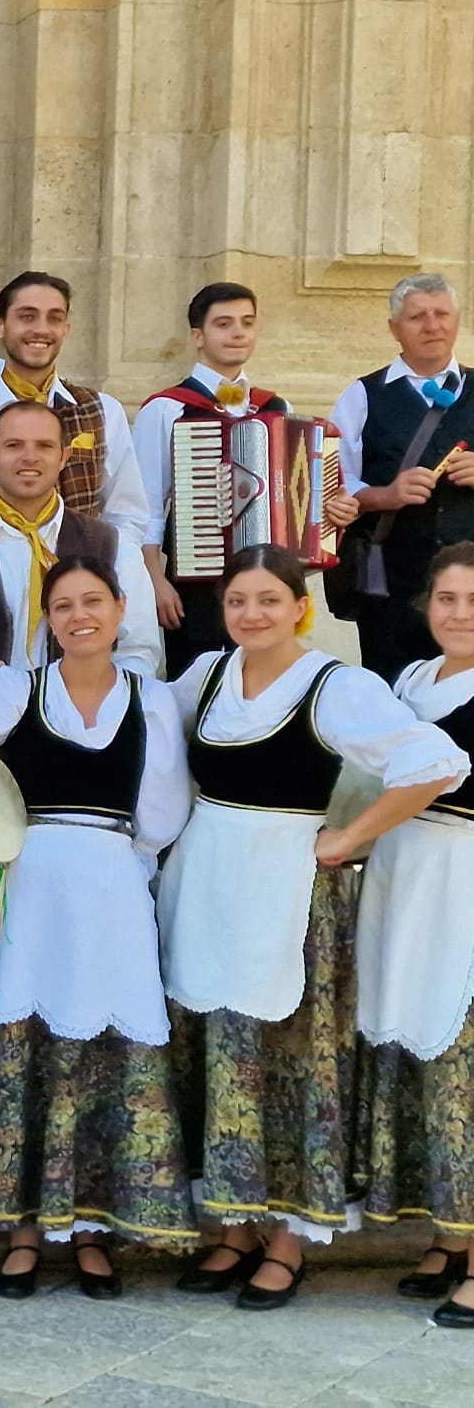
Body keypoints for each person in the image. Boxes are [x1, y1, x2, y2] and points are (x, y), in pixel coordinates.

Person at [160, 545, 468, 1310]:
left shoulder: (338, 686)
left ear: (302, 606)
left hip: (288, 886)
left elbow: (436, 763)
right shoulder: (201, 678)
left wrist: (347, 837)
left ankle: (290, 1239)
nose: (251, 614)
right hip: (205, 883)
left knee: (291, 1062)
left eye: (269, 599)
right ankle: (234, 1227)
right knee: (221, 1048)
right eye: (237, 600)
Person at [0, 555, 198, 1299]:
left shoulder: (154, 701)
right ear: (50, 620)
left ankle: (94, 1232)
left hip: (110, 893)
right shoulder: (18, 691)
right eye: (63, 605)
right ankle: (24, 1231)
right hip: (28, 888)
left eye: (92, 601)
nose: (79, 616)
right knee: (26, 1051)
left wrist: (114, 871)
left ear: (119, 607)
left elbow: (161, 816)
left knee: (104, 1054)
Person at [356, 544, 474, 1324]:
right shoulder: (408, 682)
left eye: (473, 600)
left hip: (462, 877)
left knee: (463, 1058)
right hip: (404, 873)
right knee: (419, 1059)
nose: (459, 614)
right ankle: (450, 1232)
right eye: (446, 599)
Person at [133, 283, 361, 675]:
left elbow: (301, 499)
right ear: (198, 337)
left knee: (267, 680)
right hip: (194, 584)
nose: (238, 332)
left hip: (267, 578)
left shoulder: (277, 406)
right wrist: (154, 580)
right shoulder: (168, 408)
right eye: (224, 324)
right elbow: (145, 506)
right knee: (198, 680)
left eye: (247, 323)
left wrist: (331, 512)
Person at [0, 399, 162, 675]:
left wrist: (97, 709)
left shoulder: (112, 546)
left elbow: (137, 651)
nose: (30, 457)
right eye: (14, 445)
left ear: (64, 457)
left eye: (44, 446)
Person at [0, 271, 148, 548]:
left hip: (77, 584)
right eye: (27, 316)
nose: (41, 329)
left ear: (66, 330)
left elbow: (128, 515)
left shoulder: (103, 412)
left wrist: (104, 569)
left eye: (54, 318)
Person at [329, 272, 474, 679]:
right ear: (395, 328)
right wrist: (385, 495)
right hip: (391, 588)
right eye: (417, 317)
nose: (432, 325)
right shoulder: (362, 395)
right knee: (390, 698)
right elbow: (334, 487)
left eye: (442, 314)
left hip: (471, 592)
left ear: (457, 321)